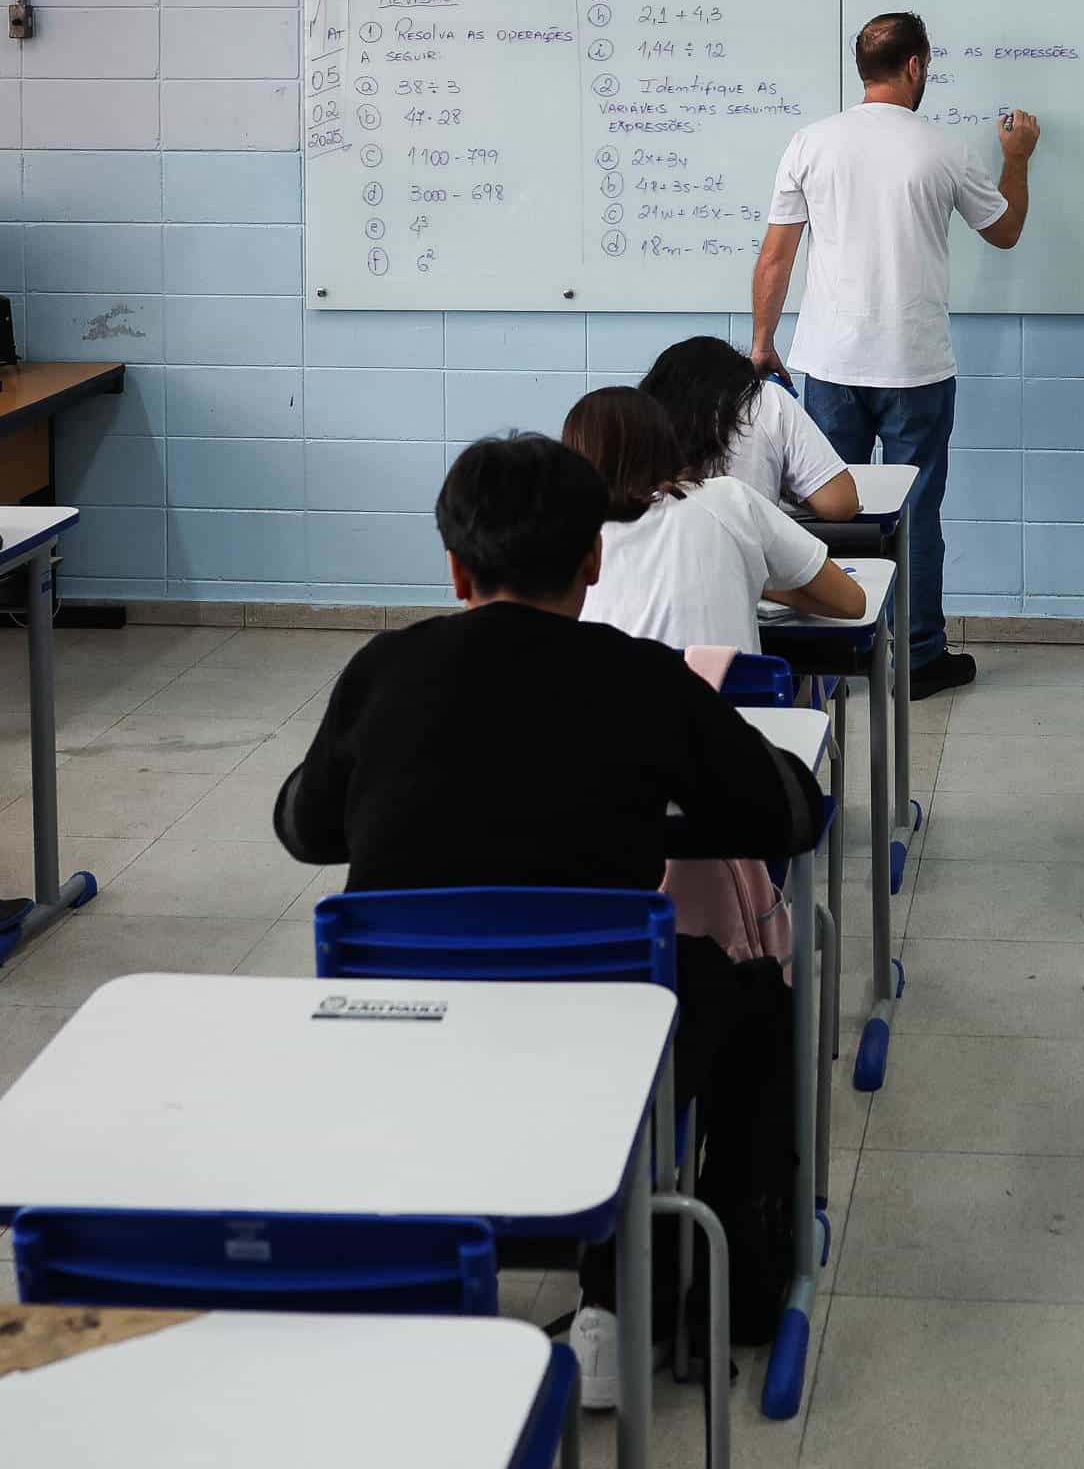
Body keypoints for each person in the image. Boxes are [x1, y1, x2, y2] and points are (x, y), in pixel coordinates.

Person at [274, 433, 830, 1407]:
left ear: (453, 566)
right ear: (593, 559)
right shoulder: (639, 677)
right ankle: (664, 1294)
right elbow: (787, 814)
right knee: (746, 987)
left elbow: (304, 825)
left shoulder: (385, 667)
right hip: (595, 1036)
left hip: (408, 1039)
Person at [748, 9, 1040, 700]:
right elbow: (1005, 233)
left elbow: (775, 256)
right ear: (915, 66)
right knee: (916, 512)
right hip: (916, 367)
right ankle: (917, 659)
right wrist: (1019, 159)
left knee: (829, 510)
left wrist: (762, 345)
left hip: (829, 362)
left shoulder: (810, 143)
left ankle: (834, 652)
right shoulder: (943, 151)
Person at [562, 386, 864, 654]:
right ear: (666, 441)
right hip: (736, 708)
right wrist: (755, 581)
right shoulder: (728, 498)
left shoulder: (562, 534)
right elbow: (851, 602)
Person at [639, 334, 860, 521]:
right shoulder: (768, 398)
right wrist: (786, 486)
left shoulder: (645, 413)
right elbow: (840, 503)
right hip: (755, 562)